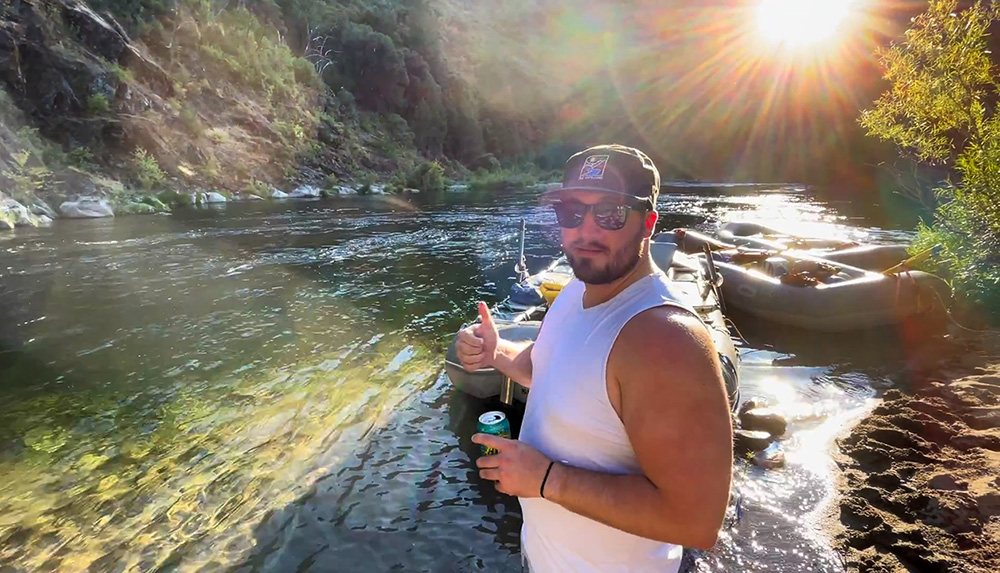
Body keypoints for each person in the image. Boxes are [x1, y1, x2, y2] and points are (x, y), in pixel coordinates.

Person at [455, 144, 733, 572]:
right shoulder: (573, 291)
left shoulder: (664, 340)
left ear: (648, 224)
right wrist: (497, 353)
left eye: (610, 212)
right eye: (571, 212)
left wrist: (546, 479)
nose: (586, 230)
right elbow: (542, 365)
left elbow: (696, 521)